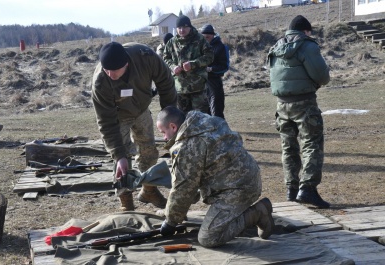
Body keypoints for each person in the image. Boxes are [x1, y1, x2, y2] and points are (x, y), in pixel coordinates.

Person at [156, 106, 274, 248]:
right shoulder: (202, 121)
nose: (164, 138)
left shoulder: (186, 147)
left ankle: (258, 213)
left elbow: (183, 188)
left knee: (208, 237)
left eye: (163, 132)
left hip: (238, 189)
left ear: (173, 127)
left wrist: (170, 222)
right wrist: (174, 211)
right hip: (247, 178)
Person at [91, 42, 177, 211]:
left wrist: (169, 116)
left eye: (114, 70)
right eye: (107, 70)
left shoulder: (146, 57)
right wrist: (119, 155)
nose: (110, 74)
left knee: (149, 151)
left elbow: (166, 83)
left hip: (141, 109)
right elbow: (106, 122)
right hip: (117, 115)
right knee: (121, 159)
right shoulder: (101, 82)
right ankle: (126, 200)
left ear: (126, 64)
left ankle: (149, 190)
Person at [267, 15, 331, 208]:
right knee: (311, 143)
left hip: (282, 104)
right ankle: (308, 189)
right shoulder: (307, 45)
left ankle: (292, 189)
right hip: (304, 103)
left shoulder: (275, 47)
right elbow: (322, 76)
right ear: (305, 31)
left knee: (288, 148)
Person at [163, 15, 214, 114]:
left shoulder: (199, 39)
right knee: (183, 118)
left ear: (189, 27)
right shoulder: (171, 42)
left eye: (184, 27)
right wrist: (173, 67)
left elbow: (210, 56)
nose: (182, 30)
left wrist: (193, 64)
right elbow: (165, 58)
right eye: (179, 28)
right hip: (180, 88)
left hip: (198, 86)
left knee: (201, 117)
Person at [200, 24, 228, 119]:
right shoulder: (199, 47)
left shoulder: (220, 47)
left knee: (216, 110)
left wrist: (211, 69)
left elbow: (224, 66)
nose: (206, 38)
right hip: (201, 83)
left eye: (208, 36)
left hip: (214, 82)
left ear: (213, 35)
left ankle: (220, 132)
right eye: (204, 36)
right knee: (204, 112)